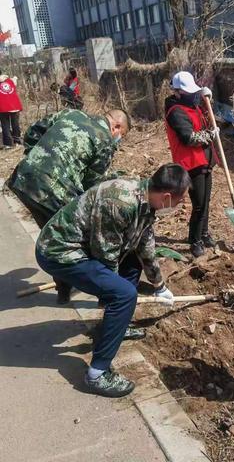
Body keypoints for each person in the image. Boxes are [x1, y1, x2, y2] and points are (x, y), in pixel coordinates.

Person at [35, 164, 188, 397]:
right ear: (167, 196)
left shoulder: (146, 200)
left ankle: (115, 325)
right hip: (59, 252)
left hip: (86, 246)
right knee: (125, 294)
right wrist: (115, 294)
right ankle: (97, 373)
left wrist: (159, 286)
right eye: (179, 202)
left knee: (133, 264)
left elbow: (144, 244)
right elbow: (106, 255)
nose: (179, 207)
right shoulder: (120, 202)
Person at [7, 108, 130, 303]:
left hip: (24, 179)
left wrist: (37, 156)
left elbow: (32, 131)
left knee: (53, 234)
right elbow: (92, 185)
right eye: (121, 135)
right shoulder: (105, 139)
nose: (118, 139)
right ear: (116, 126)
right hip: (54, 192)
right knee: (76, 240)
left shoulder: (70, 113)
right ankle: (106, 295)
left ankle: (63, 291)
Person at [165, 71, 218, 258]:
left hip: (204, 159)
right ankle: (194, 241)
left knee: (206, 202)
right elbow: (188, 137)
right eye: (187, 92)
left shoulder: (190, 104)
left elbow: (203, 115)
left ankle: (203, 234)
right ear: (177, 92)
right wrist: (210, 135)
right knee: (199, 204)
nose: (191, 95)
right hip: (191, 163)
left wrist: (206, 98)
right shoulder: (175, 111)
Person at [0, 68, 23, 149]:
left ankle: (8, 144)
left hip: (3, 107)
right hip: (15, 106)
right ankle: (17, 140)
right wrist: (15, 78)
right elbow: (15, 81)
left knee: (5, 125)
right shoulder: (10, 80)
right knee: (15, 124)